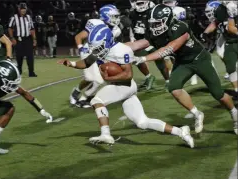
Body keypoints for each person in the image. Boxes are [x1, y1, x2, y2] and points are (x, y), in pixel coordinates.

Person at [58, 24, 194, 148]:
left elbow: (128, 75)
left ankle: (106, 134)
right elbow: (87, 62)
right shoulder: (101, 49)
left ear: (107, 41)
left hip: (125, 86)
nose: (96, 50)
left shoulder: (121, 50)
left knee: (96, 100)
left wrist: (108, 77)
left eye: (98, 47)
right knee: (142, 122)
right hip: (122, 87)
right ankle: (181, 131)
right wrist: (72, 64)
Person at [136, 4, 237, 134]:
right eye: (153, 24)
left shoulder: (180, 27)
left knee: (218, 94)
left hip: (200, 59)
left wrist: (144, 59)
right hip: (183, 62)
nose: (155, 27)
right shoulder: (155, 31)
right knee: (174, 88)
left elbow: (169, 49)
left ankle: (235, 114)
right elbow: (142, 43)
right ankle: (197, 113)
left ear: (168, 20)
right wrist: (120, 48)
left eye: (158, 23)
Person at [69, 4, 122, 108]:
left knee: (100, 78)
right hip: (88, 52)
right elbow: (78, 36)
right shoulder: (95, 23)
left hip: (101, 54)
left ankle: (84, 98)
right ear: (106, 16)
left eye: (116, 16)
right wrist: (81, 48)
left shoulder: (116, 30)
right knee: (91, 79)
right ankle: (78, 94)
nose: (116, 19)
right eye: (114, 16)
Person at [130, 0, 171, 91]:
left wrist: (145, 31)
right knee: (136, 59)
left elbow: (159, 27)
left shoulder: (153, 11)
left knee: (160, 60)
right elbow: (131, 26)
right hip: (140, 41)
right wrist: (132, 36)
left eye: (141, 3)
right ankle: (149, 77)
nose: (140, 5)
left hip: (153, 40)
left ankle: (168, 81)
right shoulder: (132, 14)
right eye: (138, 3)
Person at [202, 1, 238, 93]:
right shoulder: (221, 9)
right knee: (230, 67)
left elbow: (231, 28)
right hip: (230, 41)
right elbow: (216, 22)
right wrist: (206, 32)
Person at [163, 0, 199, 85]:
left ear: (175, 2)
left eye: (169, 2)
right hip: (168, 37)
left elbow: (183, 25)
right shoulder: (162, 12)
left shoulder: (179, 10)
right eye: (166, 3)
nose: (168, 5)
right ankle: (172, 78)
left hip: (180, 35)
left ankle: (193, 75)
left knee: (187, 56)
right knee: (166, 57)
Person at [8, 2, 37, 77]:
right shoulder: (14, 17)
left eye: (24, 9)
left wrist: (34, 39)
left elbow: (32, 29)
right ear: (18, 9)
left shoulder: (28, 17)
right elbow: (10, 28)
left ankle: (31, 72)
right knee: (19, 56)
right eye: (22, 9)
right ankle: (19, 71)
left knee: (30, 56)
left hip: (28, 39)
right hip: (19, 39)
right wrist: (12, 38)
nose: (23, 10)